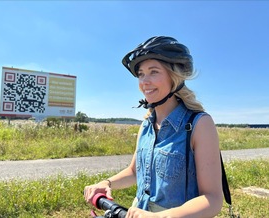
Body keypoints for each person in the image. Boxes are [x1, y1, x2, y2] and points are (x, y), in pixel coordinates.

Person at [84, 36, 223, 217]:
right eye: (141, 74)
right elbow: (134, 172)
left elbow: (212, 199)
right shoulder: (146, 125)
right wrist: (106, 183)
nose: (144, 81)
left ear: (175, 77)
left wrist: (161, 216)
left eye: (154, 72)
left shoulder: (199, 124)